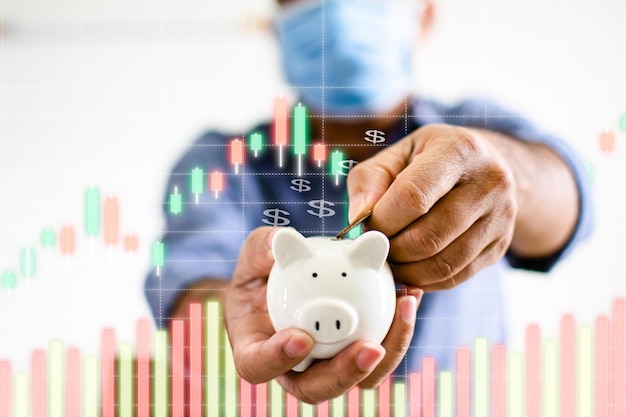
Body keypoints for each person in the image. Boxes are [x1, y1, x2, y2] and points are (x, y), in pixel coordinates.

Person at [145, 0, 593, 404]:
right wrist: (239, 320)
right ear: (275, 22)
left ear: (426, 14)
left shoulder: (477, 125)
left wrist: (509, 173)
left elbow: (569, 195)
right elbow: (188, 293)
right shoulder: (220, 161)